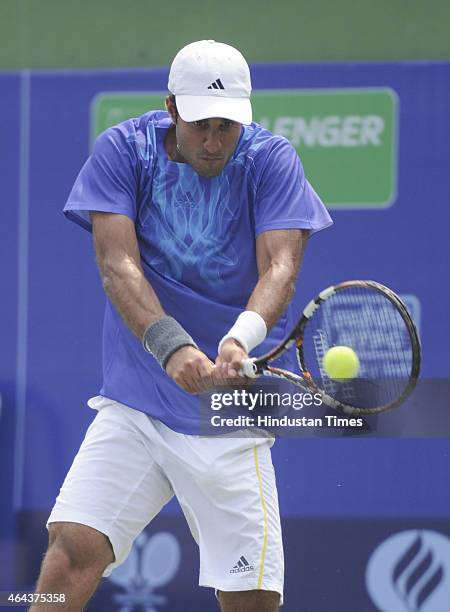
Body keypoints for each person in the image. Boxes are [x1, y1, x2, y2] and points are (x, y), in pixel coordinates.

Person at [32, 40, 332, 611]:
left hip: (227, 414)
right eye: (201, 126)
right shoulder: (123, 150)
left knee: (250, 601)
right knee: (69, 552)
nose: (215, 142)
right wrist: (171, 348)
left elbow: (281, 265)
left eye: (227, 126)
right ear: (171, 108)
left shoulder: (272, 160)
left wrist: (240, 338)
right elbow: (116, 263)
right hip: (137, 402)